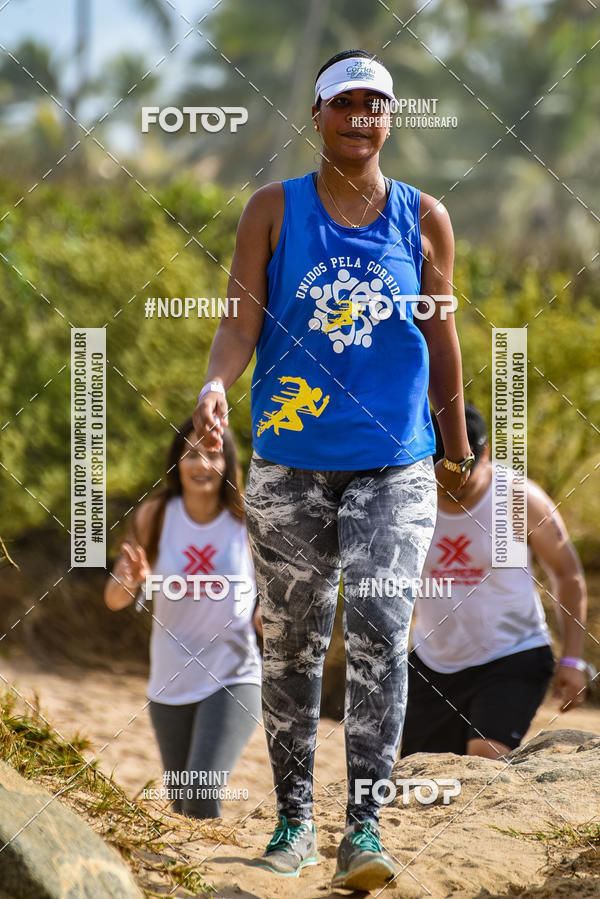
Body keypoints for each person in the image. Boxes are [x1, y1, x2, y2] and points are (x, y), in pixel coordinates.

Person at [193, 49, 474, 891]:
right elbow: (239, 324)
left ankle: (363, 828)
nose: (361, 115)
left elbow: (441, 338)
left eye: (375, 104)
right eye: (344, 102)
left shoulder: (425, 217)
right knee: (291, 645)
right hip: (290, 463)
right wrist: (214, 384)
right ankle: (291, 824)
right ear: (315, 115)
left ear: (390, 119)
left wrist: (456, 446)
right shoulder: (271, 211)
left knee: (383, 629)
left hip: (395, 464)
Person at [401, 404, 589, 760]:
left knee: (483, 759)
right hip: (433, 662)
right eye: (438, 475)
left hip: (513, 654)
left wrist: (573, 661)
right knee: (422, 779)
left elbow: (567, 572)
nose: (448, 487)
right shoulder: (409, 501)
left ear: (481, 453)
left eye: (460, 475)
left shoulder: (517, 498)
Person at [104, 418, 262, 818]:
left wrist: (269, 616)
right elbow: (114, 600)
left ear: (228, 463)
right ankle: (194, 879)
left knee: (202, 791)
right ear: (176, 461)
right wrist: (131, 579)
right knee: (182, 805)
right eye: (191, 453)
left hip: (233, 676)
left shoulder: (247, 522)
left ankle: (215, 881)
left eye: (212, 454)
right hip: (168, 683)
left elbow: (275, 597)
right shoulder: (155, 515)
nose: (202, 464)